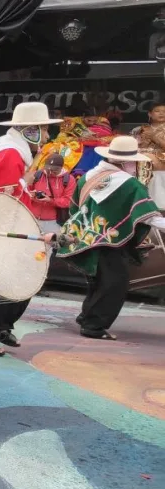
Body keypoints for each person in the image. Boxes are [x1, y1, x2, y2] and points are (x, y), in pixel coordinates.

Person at [0, 102, 61, 356]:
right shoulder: (10, 154)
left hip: (7, 225)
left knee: (15, 277)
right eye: (44, 129)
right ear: (30, 131)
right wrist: (24, 182)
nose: (48, 136)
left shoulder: (15, 153)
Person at [58, 136, 165, 340]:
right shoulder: (129, 184)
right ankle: (93, 325)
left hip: (85, 237)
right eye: (134, 162)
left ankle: (87, 316)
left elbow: (74, 206)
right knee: (115, 282)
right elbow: (149, 216)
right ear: (125, 162)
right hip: (110, 241)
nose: (135, 166)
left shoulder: (90, 175)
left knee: (98, 280)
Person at [28, 153, 77, 234]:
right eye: (48, 169)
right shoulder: (37, 175)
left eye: (54, 171)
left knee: (52, 245)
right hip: (32, 217)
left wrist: (51, 200)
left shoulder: (68, 180)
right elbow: (26, 190)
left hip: (53, 221)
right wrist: (31, 195)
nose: (50, 172)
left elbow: (68, 201)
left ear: (61, 168)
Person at [133, 102, 165, 209]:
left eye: (164, 112)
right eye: (157, 111)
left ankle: (145, 198)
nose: (161, 114)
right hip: (144, 159)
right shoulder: (141, 129)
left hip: (161, 159)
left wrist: (155, 137)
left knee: (146, 157)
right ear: (150, 114)